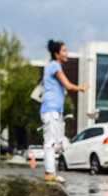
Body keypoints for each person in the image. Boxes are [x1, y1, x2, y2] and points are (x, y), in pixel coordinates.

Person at [41, 40, 86, 182]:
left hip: (56, 111)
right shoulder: (54, 66)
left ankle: (51, 172)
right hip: (50, 110)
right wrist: (81, 88)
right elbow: (67, 85)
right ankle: (49, 173)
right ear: (57, 54)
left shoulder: (53, 66)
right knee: (51, 143)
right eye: (64, 51)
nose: (67, 53)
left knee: (60, 143)